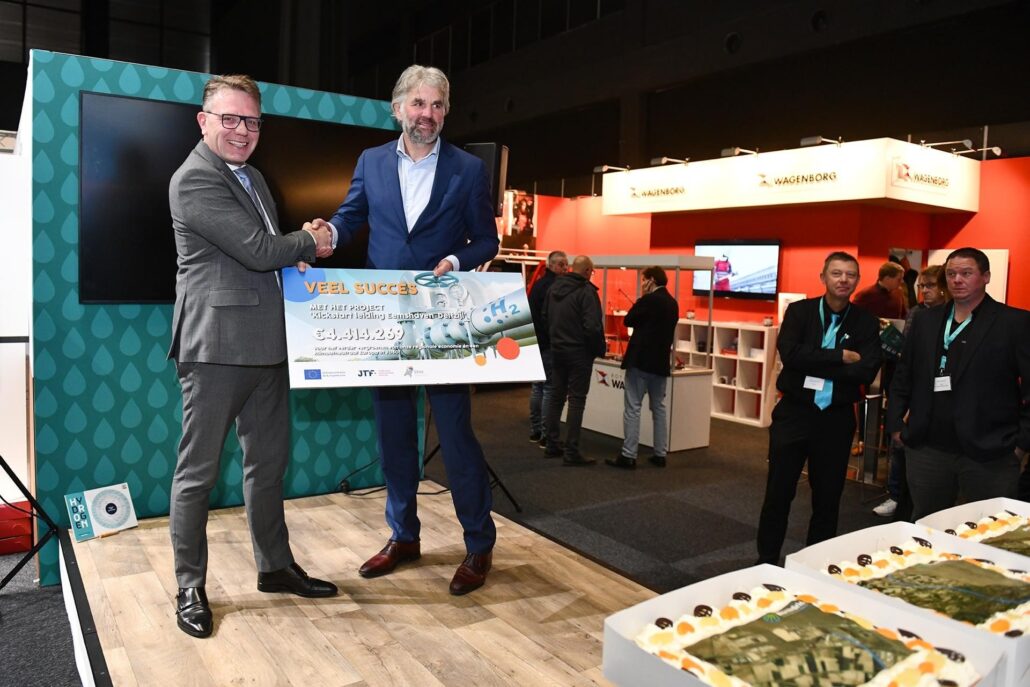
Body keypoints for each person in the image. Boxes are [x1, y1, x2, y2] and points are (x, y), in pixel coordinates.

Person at [315, 65, 500, 595]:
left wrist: (455, 260)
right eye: (418, 104)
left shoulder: (468, 169)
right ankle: (403, 536)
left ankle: (478, 543)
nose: (428, 114)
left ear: (446, 111)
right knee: (394, 437)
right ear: (398, 108)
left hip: (443, 319)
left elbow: (486, 239)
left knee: (456, 438)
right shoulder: (371, 161)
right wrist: (326, 234)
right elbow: (350, 218)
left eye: (437, 105)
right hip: (384, 319)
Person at [167, 74, 338, 638]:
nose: (242, 131)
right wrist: (310, 241)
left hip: (268, 342)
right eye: (230, 119)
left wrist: (297, 252)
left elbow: (265, 252)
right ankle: (189, 586)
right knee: (198, 474)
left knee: (268, 466)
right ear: (204, 121)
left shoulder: (255, 177)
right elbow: (258, 250)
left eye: (252, 121)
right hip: (216, 347)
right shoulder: (194, 178)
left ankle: (275, 566)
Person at [756, 251, 881, 565]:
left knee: (828, 497)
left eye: (850, 275)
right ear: (823, 277)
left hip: (835, 419)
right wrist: (840, 357)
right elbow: (790, 354)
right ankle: (766, 559)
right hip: (794, 414)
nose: (843, 280)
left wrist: (813, 360)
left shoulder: (866, 321)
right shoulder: (800, 312)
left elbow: (866, 370)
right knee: (778, 492)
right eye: (836, 273)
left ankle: (814, 564)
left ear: (858, 280)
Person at [887, 247, 1030, 519]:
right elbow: (904, 374)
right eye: (951, 274)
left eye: (966, 273)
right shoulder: (925, 320)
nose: (957, 280)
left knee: (988, 530)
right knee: (927, 524)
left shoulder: (1014, 322)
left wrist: (1021, 444)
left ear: (986, 277)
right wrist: (895, 424)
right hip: (927, 448)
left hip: (991, 452)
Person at [873, 265, 948, 518]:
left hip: (939, 398)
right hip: (912, 392)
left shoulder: (954, 316)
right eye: (921, 286)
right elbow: (908, 357)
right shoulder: (916, 313)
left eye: (930, 285)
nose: (924, 291)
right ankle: (896, 496)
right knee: (901, 451)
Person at [606, 266, 679, 469]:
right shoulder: (673, 303)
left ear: (651, 280)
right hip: (660, 362)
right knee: (659, 408)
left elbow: (628, 320)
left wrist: (641, 300)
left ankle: (629, 454)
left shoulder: (648, 300)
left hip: (640, 361)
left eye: (643, 280)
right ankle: (660, 453)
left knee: (633, 408)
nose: (642, 284)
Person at [541, 255, 606, 466]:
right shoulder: (586, 292)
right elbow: (593, 327)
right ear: (587, 271)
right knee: (576, 400)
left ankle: (551, 443)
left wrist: (555, 340)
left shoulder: (554, 288)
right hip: (579, 353)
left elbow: (545, 317)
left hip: (558, 350)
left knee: (556, 396)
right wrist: (597, 349)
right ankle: (571, 450)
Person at [528, 251, 569, 444]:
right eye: (561, 264)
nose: (565, 268)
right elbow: (553, 318)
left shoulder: (537, 285)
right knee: (548, 389)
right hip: (549, 344)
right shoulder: (556, 287)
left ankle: (536, 430)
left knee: (537, 388)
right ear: (551, 265)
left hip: (535, 342)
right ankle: (545, 435)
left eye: (566, 264)